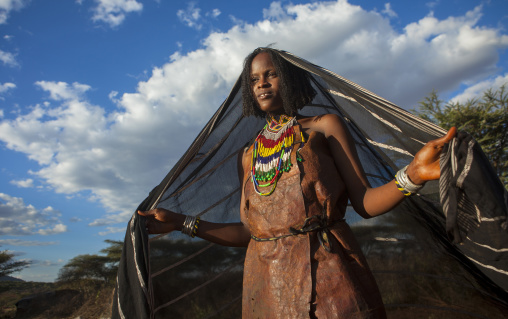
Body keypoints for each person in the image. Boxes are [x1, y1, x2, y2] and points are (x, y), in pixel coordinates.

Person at [138, 48, 456, 318]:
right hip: (267, 289)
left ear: (289, 79)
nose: (261, 84)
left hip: (331, 275)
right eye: (253, 79)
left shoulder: (325, 127)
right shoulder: (248, 156)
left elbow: (365, 202)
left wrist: (412, 175)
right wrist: (181, 222)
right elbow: (251, 234)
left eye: (270, 74)